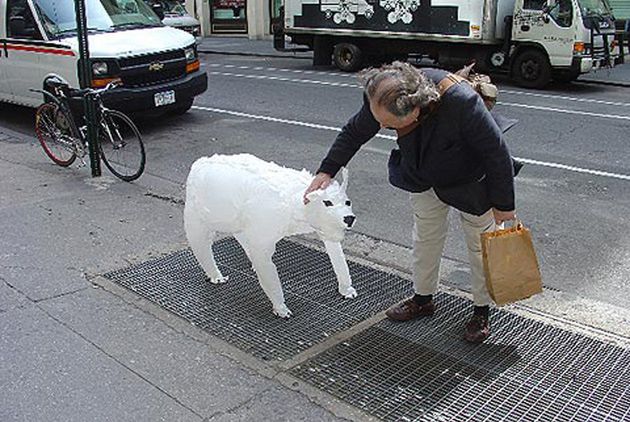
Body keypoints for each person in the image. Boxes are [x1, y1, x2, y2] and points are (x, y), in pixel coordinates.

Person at [303, 62, 517, 343]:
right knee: (425, 239)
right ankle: (423, 299)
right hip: (422, 175)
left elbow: (496, 153)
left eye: (389, 126)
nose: (380, 127)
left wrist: (504, 205)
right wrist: (327, 170)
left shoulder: (461, 102)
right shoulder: (382, 94)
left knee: (480, 246)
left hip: (469, 180)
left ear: (414, 111)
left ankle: (481, 311)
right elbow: (356, 131)